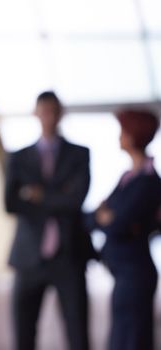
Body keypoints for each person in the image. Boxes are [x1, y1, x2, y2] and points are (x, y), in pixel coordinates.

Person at [4, 91, 94, 350]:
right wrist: (59, 196)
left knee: (77, 332)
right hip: (29, 256)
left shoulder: (79, 153)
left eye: (54, 111)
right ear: (36, 113)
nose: (49, 117)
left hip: (69, 254)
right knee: (24, 333)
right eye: (44, 111)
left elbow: (76, 200)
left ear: (61, 113)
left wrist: (37, 194)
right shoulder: (19, 158)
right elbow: (10, 203)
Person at [84, 109, 161, 350]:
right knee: (122, 336)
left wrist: (108, 217)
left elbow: (117, 224)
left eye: (123, 131)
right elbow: (95, 219)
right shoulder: (128, 176)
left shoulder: (148, 181)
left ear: (133, 135)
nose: (119, 136)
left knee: (131, 339)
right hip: (124, 273)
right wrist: (106, 217)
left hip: (135, 273)